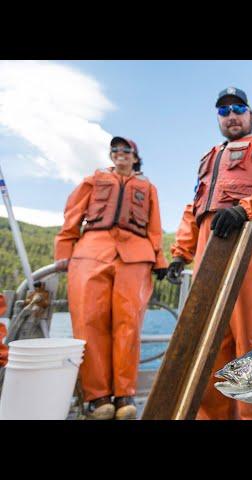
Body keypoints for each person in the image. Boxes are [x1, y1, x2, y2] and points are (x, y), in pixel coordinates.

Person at [168, 87, 252, 420]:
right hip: (208, 267)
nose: (231, 115)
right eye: (224, 111)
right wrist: (179, 254)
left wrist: (246, 209)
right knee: (208, 352)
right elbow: (193, 211)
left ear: (250, 115)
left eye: (238, 108)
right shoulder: (208, 160)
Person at [54, 137, 167, 420]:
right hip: (91, 251)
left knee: (128, 324)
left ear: (135, 157)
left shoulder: (148, 187)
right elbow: (73, 215)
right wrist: (64, 250)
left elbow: (155, 227)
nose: (120, 154)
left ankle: (124, 395)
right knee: (88, 322)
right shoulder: (93, 180)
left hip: (135, 255)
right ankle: (98, 397)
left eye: (125, 150)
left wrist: (159, 258)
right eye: (115, 150)